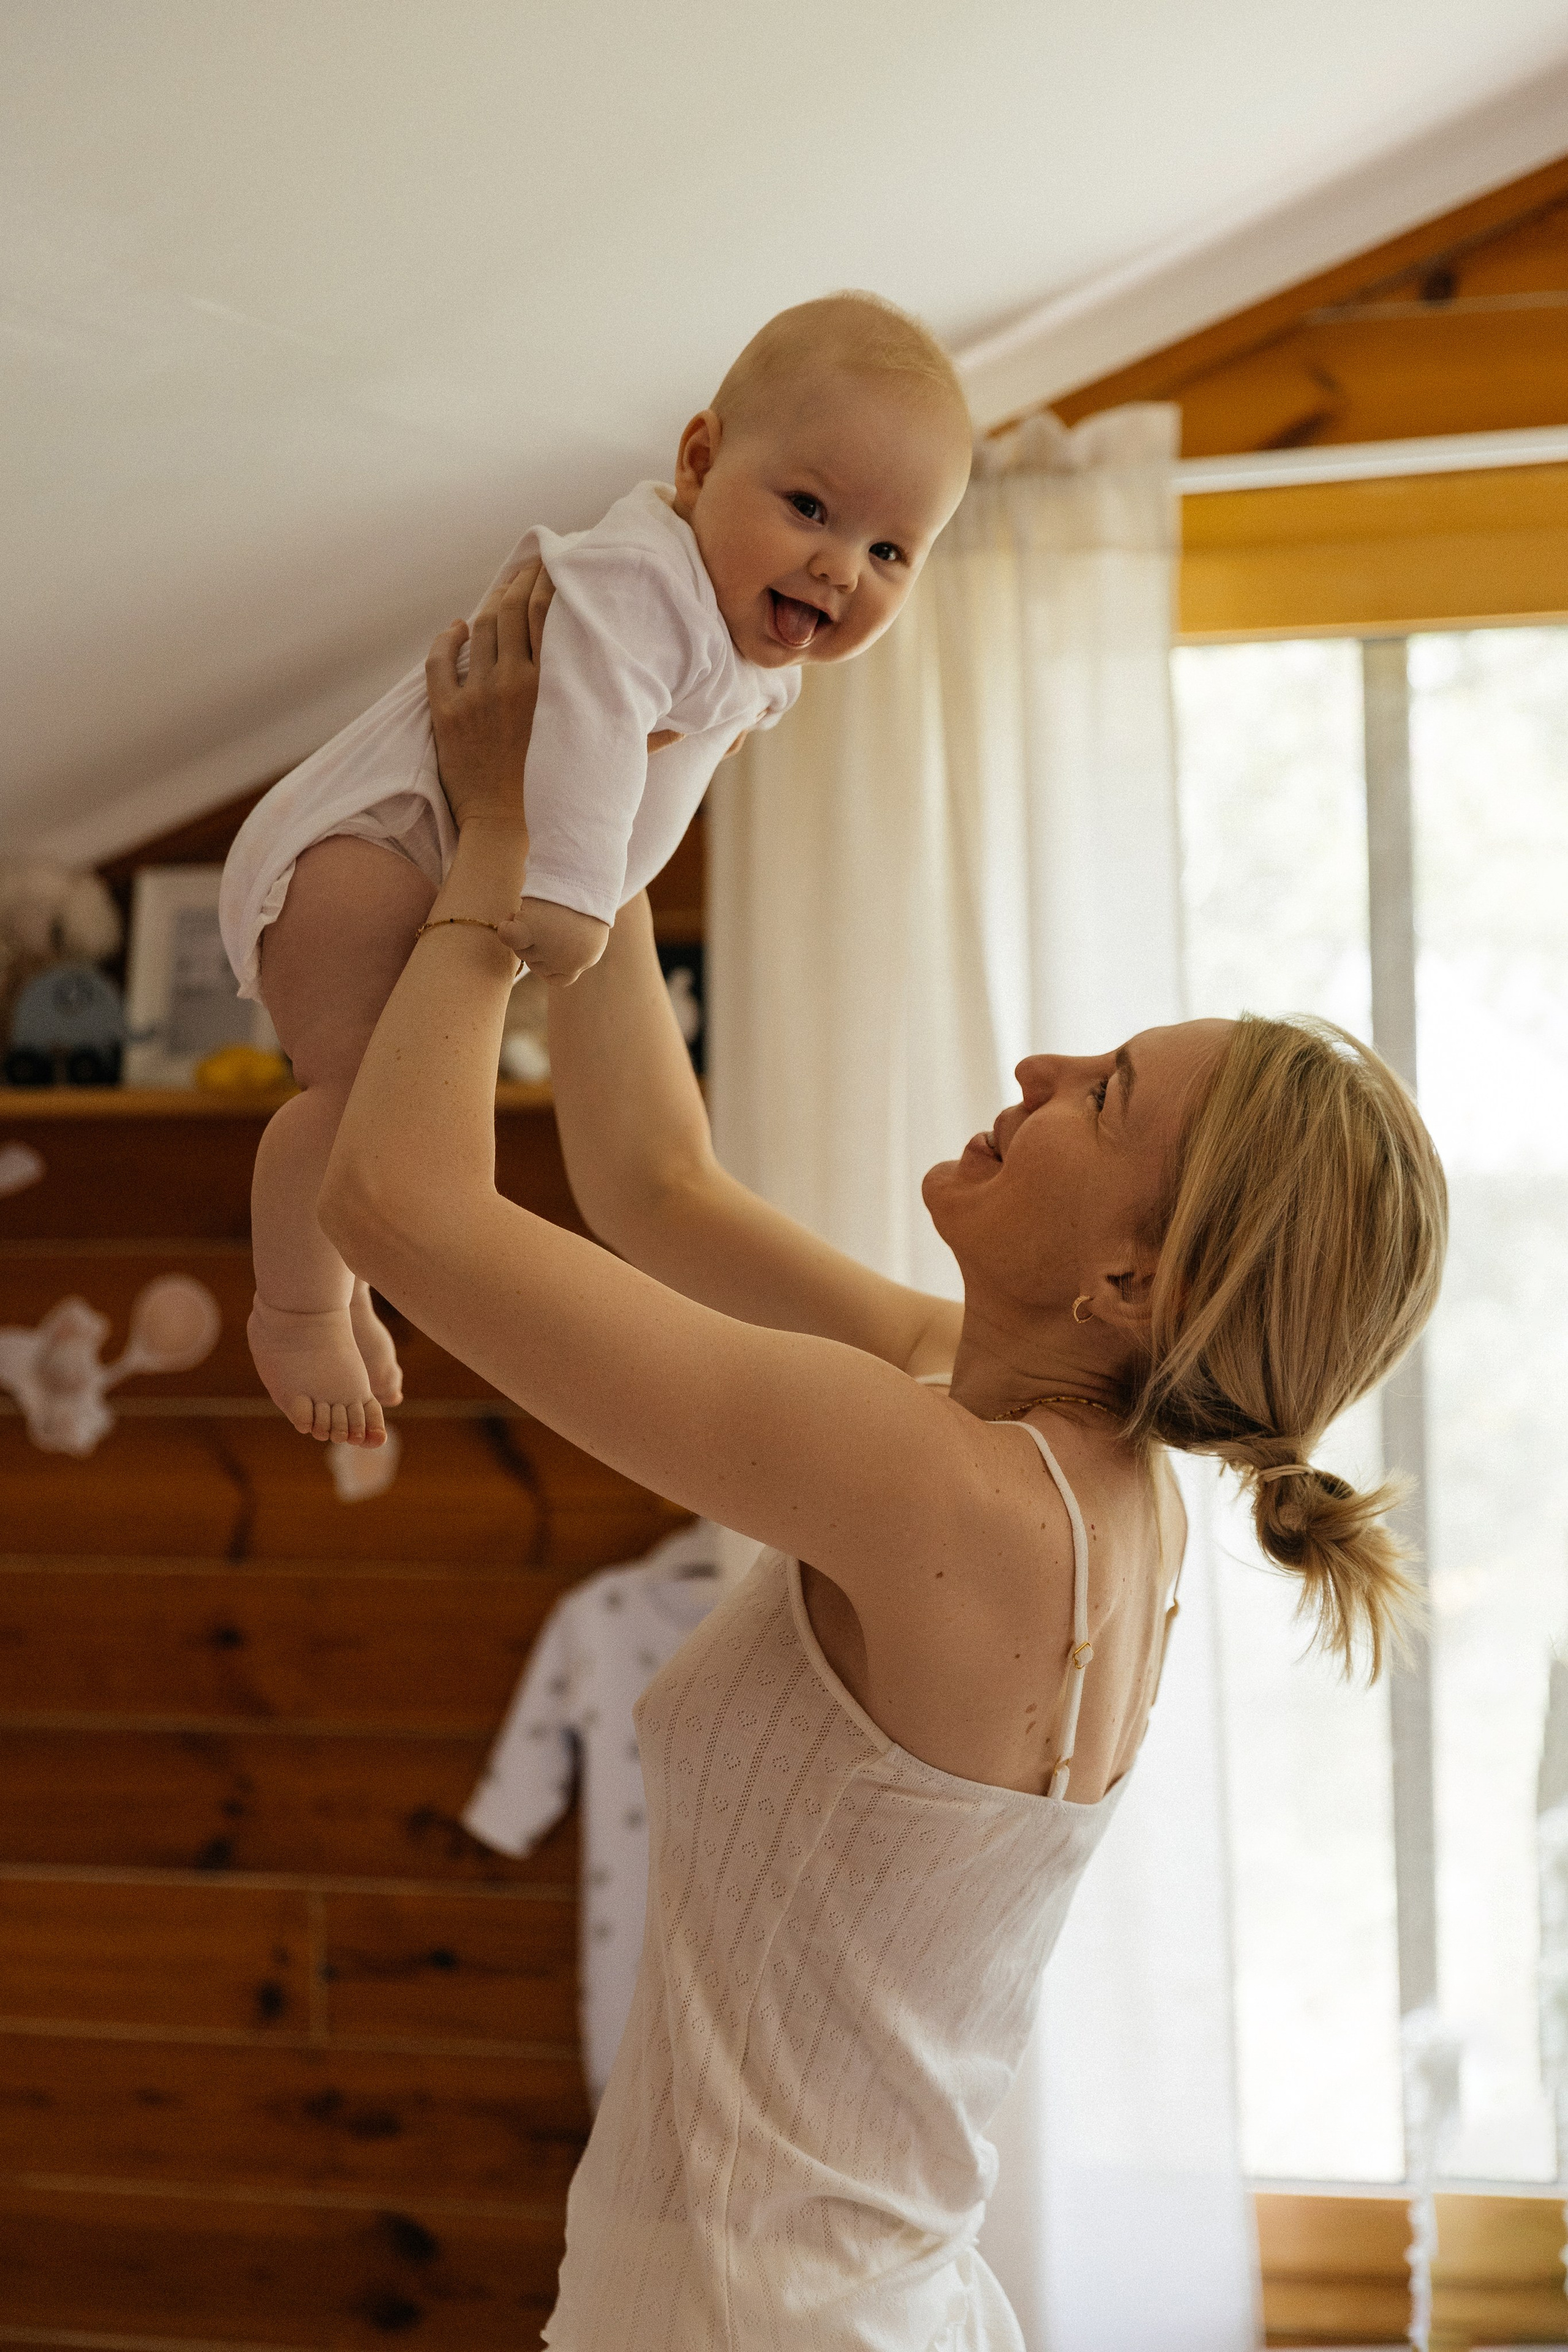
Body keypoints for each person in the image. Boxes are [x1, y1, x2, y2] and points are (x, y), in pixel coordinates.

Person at [318, 567, 1447, 2349]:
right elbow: (653, 1190)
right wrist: (589, 792)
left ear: (1131, 1279)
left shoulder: (940, 1491)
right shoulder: (1064, 1480)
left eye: (1101, 1098)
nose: (1039, 1059)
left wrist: (491, 857)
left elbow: (398, 1205)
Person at [220, 292, 972, 1446]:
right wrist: (573, 885)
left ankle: (335, 1285)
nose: (837, 568)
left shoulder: (737, 631)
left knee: (380, 1105)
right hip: (366, 852)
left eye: (887, 551)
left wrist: (581, 875)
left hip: (423, 852)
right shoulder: (646, 578)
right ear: (701, 460)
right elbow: (587, 713)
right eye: (810, 508)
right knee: (364, 1107)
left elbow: (660, 1184)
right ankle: (295, 1303)